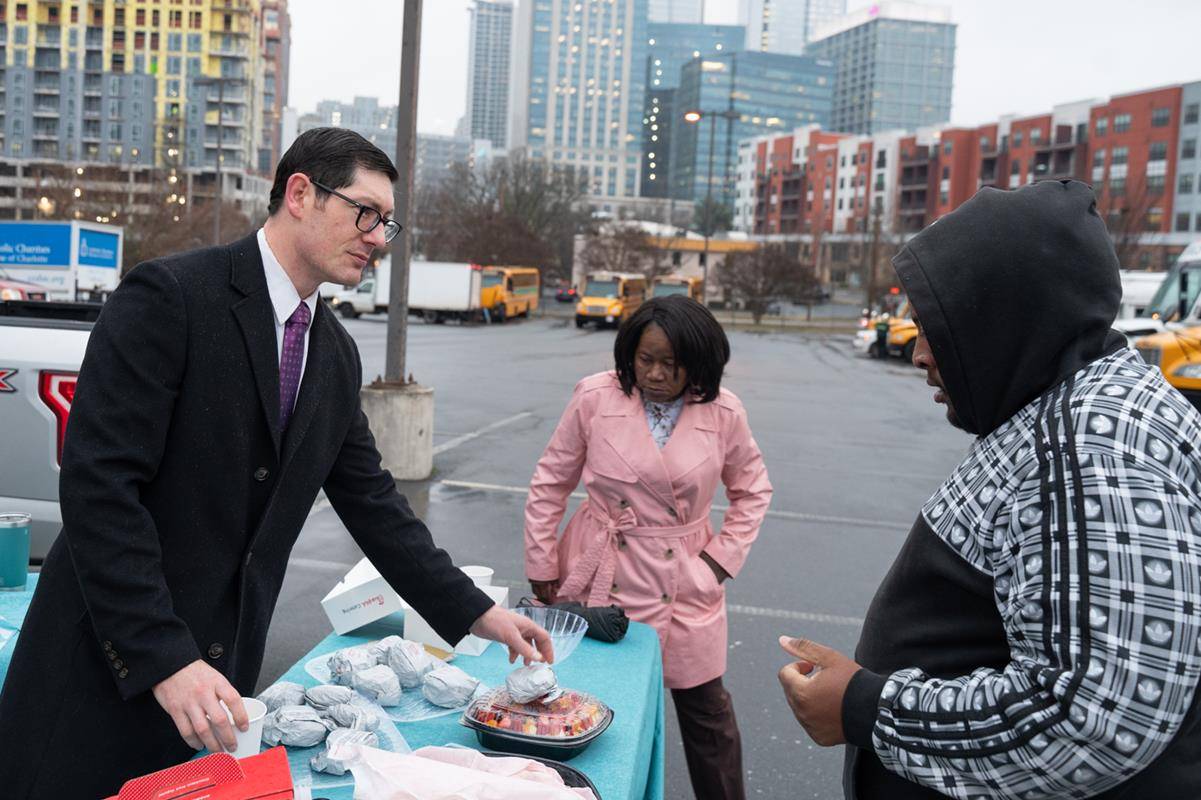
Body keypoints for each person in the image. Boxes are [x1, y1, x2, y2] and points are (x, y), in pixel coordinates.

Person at [0, 127, 552, 799]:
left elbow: (373, 503)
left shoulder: (334, 353)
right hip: (102, 674)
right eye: (366, 213)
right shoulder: (172, 297)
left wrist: (475, 610)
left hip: (221, 688)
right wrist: (163, 655)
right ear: (300, 194)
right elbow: (100, 488)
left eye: (387, 222)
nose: (378, 238)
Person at [776, 179, 1201, 798]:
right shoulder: (1073, 405)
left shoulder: (1089, 449)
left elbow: (1091, 720)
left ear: (1004, 321)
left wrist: (862, 707)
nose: (920, 355)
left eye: (936, 329)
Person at [525, 295, 772, 800]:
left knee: (707, 713)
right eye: (646, 359)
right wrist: (542, 560)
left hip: (685, 576)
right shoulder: (595, 397)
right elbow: (551, 480)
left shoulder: (724, 411)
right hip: (599, 569)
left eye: (671, 363)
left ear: (698, 364)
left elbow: (753, 491)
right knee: (588, 708)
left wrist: (716, 563)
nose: (656, 374)